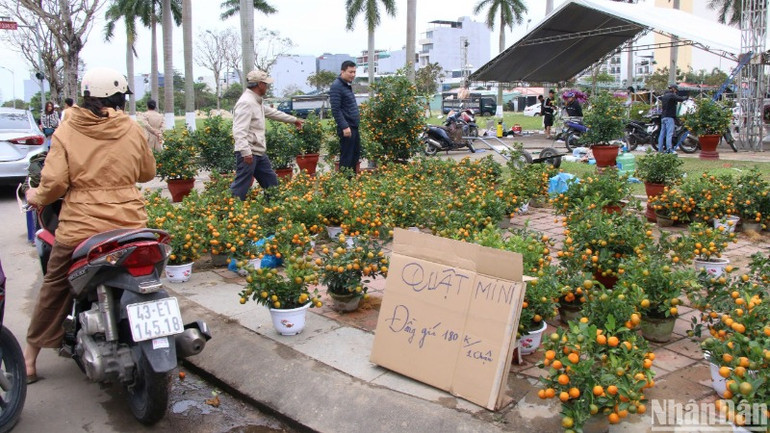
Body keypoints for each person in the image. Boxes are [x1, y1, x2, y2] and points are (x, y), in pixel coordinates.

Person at [23, 67, 156, 383]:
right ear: (119, 98)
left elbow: (54, 183)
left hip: (81, 228)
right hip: (131, 225)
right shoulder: (131, 128)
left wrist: (35, 195)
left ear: (86, 97)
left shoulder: (67, 131)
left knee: (55, 285)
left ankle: (28, 360)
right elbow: (147, 173)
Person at [230, 69, 303, 200]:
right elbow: (239, 130)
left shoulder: (256, 101)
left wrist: (294, 120)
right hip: (249, 153)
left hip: (258, 152)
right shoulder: (246, 102)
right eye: (266, 84)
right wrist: (246, 152)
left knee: (271, 183)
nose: (268, 87)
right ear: (259, 84)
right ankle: (228, 214)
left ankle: (273, 212)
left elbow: (273, 113)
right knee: (240, 187)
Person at [329, 60, 361, 173]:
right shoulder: (336, 86)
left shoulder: (346, 85)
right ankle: (344, 183)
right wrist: (344, 126)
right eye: (350, 72)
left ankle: (351, 182)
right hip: (347, 128)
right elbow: (335, 109)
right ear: (342, 71)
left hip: (353, 126)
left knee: (354, 156)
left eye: (354, 72)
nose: (353, 74)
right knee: (347, 157)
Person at [658, 83, 688, 153]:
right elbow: (680, 99)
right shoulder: (672, 95)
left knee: (662, 134)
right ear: (673, 89)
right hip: (669, 117)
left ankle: (660, 149)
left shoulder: (664, 96)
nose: (676, 91)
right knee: (669, 134)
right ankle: (669, 149)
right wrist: (687, 97)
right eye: (676, 90)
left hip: (663, 117)